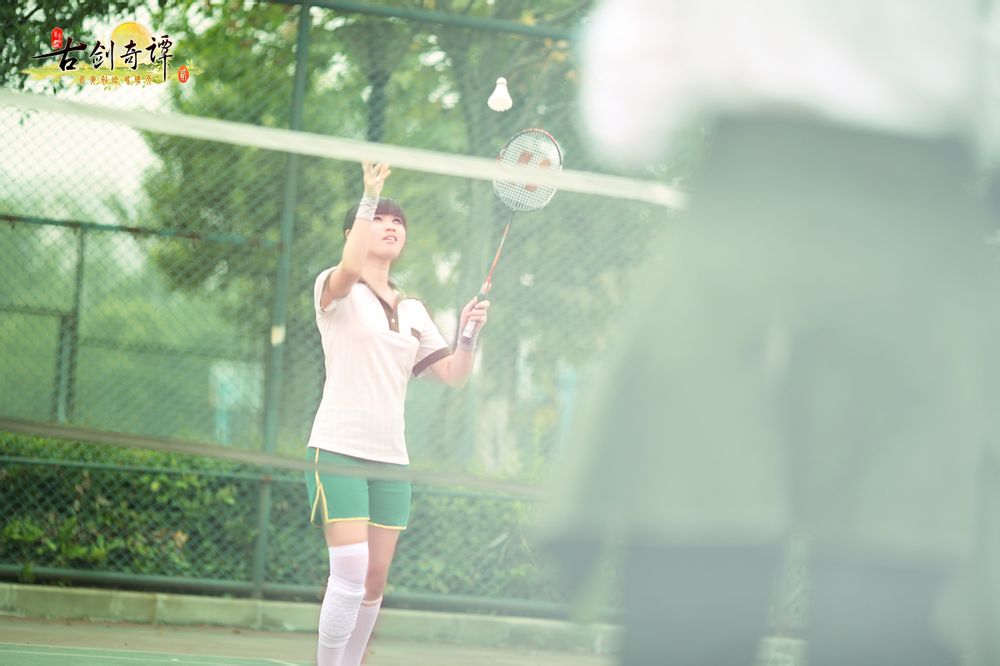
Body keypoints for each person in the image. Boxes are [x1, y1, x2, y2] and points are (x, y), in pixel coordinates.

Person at [542, 1, 1000, 664]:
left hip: (740, 250)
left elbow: (627, 124)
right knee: (895, 599)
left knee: (694, 583)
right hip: (921, 266)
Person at [305, 161, 489, 666]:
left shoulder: (413, 310)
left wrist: (469, 334)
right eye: (377, 219)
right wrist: (370, 194)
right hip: (338, 448)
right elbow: (347, 269)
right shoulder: (335, 289)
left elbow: (453, 374)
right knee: (348, 571)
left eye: (397, 221)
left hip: (391, 459)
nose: (389, 225)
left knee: (373, 579)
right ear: (353, 234)